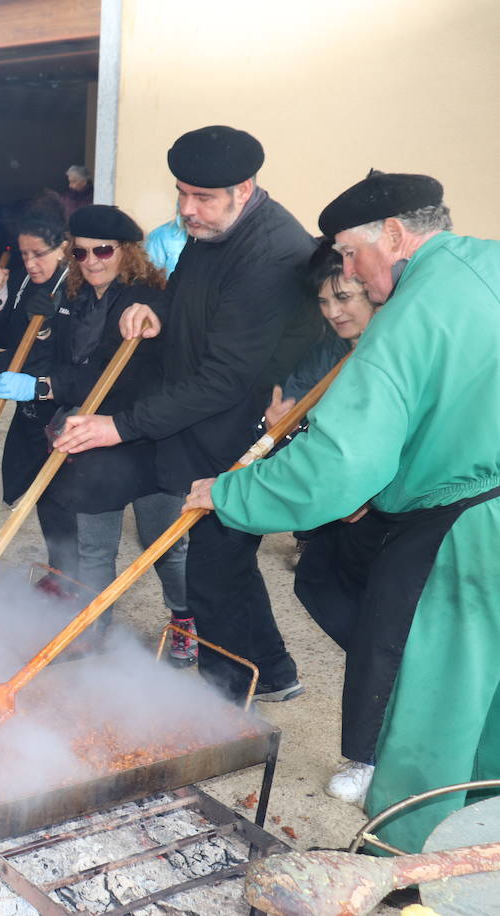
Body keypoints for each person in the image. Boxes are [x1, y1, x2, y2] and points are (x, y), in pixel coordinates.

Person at [187, 171, 500, 852]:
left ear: (393, 234)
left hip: (466, 525)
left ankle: (405, 859)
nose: (347, 268)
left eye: (350, 252)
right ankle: (486, 849)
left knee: (435, 707)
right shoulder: (491, 263)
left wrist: (232, 494)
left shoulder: (413, 313)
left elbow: (341, 466)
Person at [54, 125, 319, 703]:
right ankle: (272, 674)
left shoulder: (271, 254)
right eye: (182, 193)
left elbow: (225, 377)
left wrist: (118, 425)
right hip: (207, 418)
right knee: (225, 559)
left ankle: (221, 699)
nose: (187, 210)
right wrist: (155, 309)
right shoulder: (212, 230)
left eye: (201, 198)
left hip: (250, 424)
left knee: (214, 565)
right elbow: (183, 292)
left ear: (244, 189)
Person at [0, 205, 189, 659]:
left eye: (103, 250)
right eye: (80, 253)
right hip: (97, 440)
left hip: (149, 436)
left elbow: (111, 376)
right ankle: (94, 633)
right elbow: (65, 360)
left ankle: (184, 617)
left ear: (128, 253)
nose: (93, 261)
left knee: (164, 544)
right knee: (95, 547)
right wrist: (37, 328)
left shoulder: (146, 303)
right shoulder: (81, 301)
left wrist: (43, 386)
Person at [264, 240, 384, 803]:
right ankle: (385, 685)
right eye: (325, 301)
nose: (334, 310)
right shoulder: (329, 351)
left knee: (383, 634)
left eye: (345, 296)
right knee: (317, 585)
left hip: (392, 511)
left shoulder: (390, 348)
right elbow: (299, 412)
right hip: (338, 508)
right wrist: (285, 419)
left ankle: (373, 755)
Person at [0, 205, 69, 571]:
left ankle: (75, 584)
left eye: (40, 254)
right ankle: (57, 571)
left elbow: (45, 356)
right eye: (25, 254)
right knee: (44, 496)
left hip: (67, 407)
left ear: (63, 248)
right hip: (31, 413)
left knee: (67, 499)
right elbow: (6, 334)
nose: (31, 263)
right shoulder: (23, 281)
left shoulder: (75, 287)